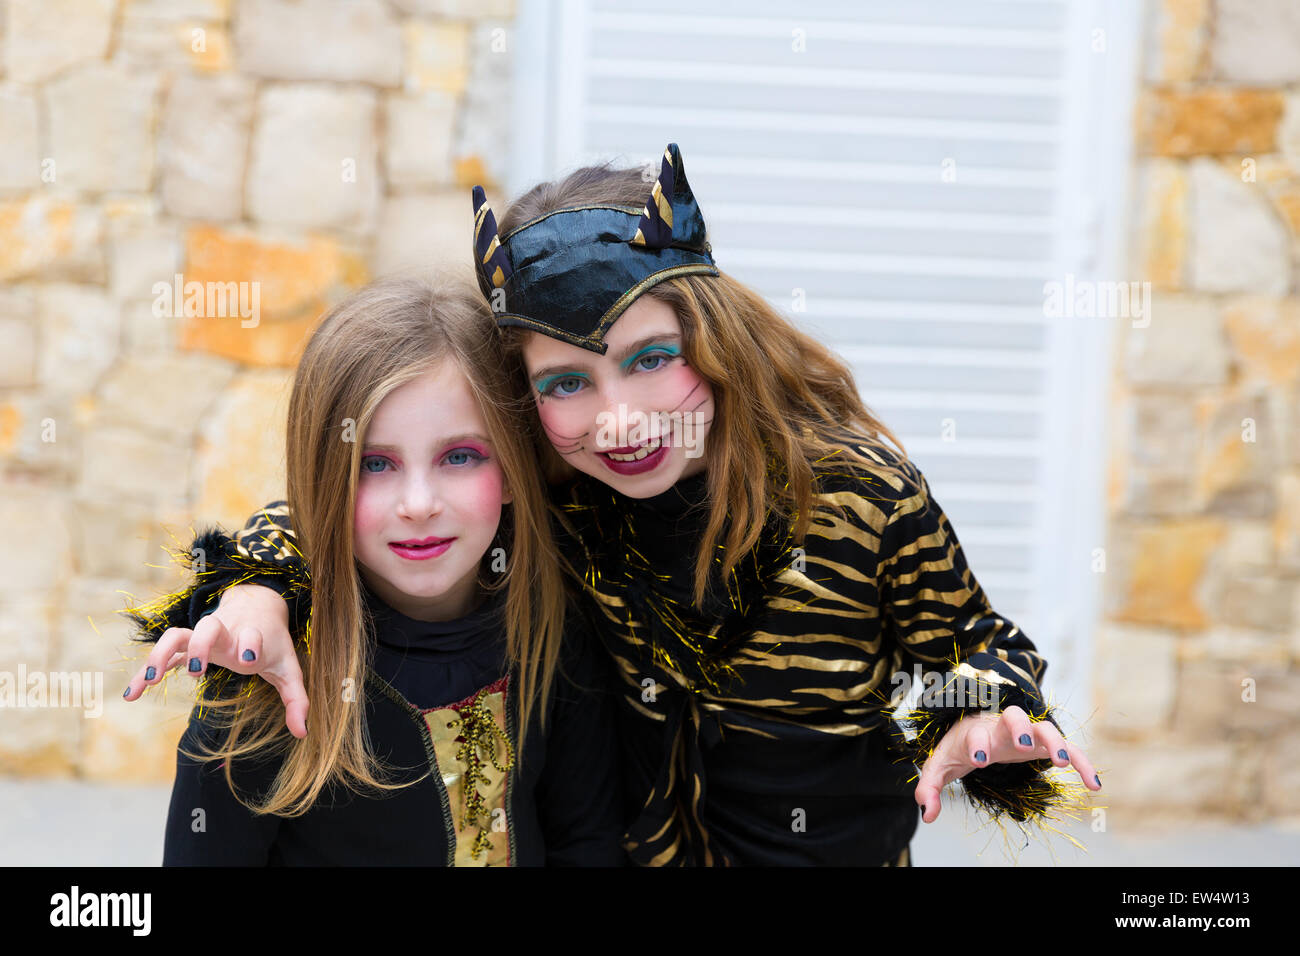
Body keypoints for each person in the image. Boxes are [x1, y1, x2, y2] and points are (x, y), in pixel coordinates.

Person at [127, 144, 1100, 866]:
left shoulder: (857, 495)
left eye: (648, 360)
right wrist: (256, 583)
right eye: (565, 382)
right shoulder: (561, 483)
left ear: (709, 336)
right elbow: (358, 493)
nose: (618, 418)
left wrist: (984, 711)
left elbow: (969, 644)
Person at [125, 275, 624, 866]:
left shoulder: (554, 630)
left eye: (460, 456)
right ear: (325, 479)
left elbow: (588, 843)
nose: (418, 503)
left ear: (514, 467)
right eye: (375, 464)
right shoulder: (272, 674)